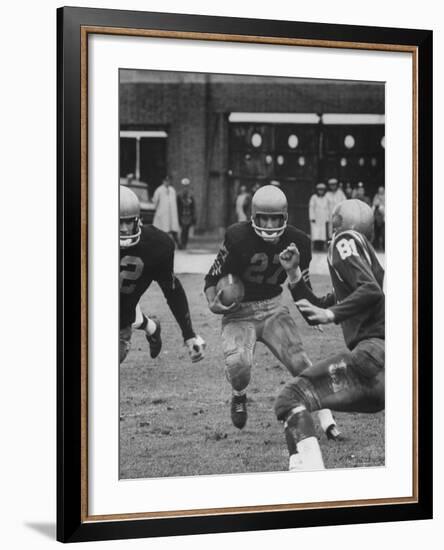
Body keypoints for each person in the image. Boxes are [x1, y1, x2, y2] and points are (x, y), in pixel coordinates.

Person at [204, 185, 339, 439]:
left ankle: (327, 418)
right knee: (239, 365)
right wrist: (213, 301)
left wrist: (313, 309)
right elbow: (212, 277)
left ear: (284, 218)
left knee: (300, 361)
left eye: (273, 218)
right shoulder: (237, 237)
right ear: (253, 217)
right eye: (263, 218)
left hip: (273, 308)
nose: (268, 224)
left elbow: (301, 286)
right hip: (239, 313)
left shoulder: (299, 241)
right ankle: (239, 395)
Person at [275, 199, 384, 471]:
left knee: (291, 398)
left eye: (335, 224)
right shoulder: (369, 265)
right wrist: (294, 274)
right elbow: (318, 308)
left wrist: (332, 315)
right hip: (386, 371)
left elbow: (370, 290)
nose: (332, 230)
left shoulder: (344, 240)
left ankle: (312, 487)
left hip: (372, 356)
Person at [120, 185, 206, 364]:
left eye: (128, 222)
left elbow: (172, 290)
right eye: (117, 222)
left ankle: (151, 328)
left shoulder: (155, 245)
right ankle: (151, 327)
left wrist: (189, 335)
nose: (123, 229)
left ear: (138, 220)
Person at [152, 176, 180, 247]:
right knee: (162, 229)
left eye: (168, 181)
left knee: (173, 229)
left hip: (171, 213)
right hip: (162, 212)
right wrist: (157, 209)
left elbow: (174, 201)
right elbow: (155, 201)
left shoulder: (172, 190)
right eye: (166, 181)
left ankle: (177, 244)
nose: (167, 182)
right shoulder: (159, 190)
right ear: (163, 181)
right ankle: (161, 244)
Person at [309, 182, 329, 251]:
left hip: (323, 218)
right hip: (316, 219)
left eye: (322, 190)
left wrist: (327, 218)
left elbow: (327, 209)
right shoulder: (314, 198)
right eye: (319, 190)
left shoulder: (326, 198)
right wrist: (312, 217)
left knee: (322, 234)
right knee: (315, 233)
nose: (321, 191)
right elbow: (311, 208)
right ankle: (314, 247)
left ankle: (323, 247)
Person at [177, 177, 197, 250]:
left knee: (186, 230)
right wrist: (178, 216)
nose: (185, 188)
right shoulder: (179, 196)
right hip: (182, 215)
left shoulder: (191, 196)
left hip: (188, 216)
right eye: (184, 186)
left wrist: (193, 216)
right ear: (182, 187)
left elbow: (193, 206)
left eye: (186, 186)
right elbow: (178, 206)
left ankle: (184, 243)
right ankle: (182, 243)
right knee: (183, 230)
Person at [372, 186, 385, 251]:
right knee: (376, 234)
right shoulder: (376, 196)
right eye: (379, 190)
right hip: (377, 218)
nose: (380, 191)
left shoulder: (386, 196)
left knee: (383, 234)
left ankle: (384, 247)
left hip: (384, 218)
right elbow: (374, 206)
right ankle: (376, 247)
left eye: (381, 190)